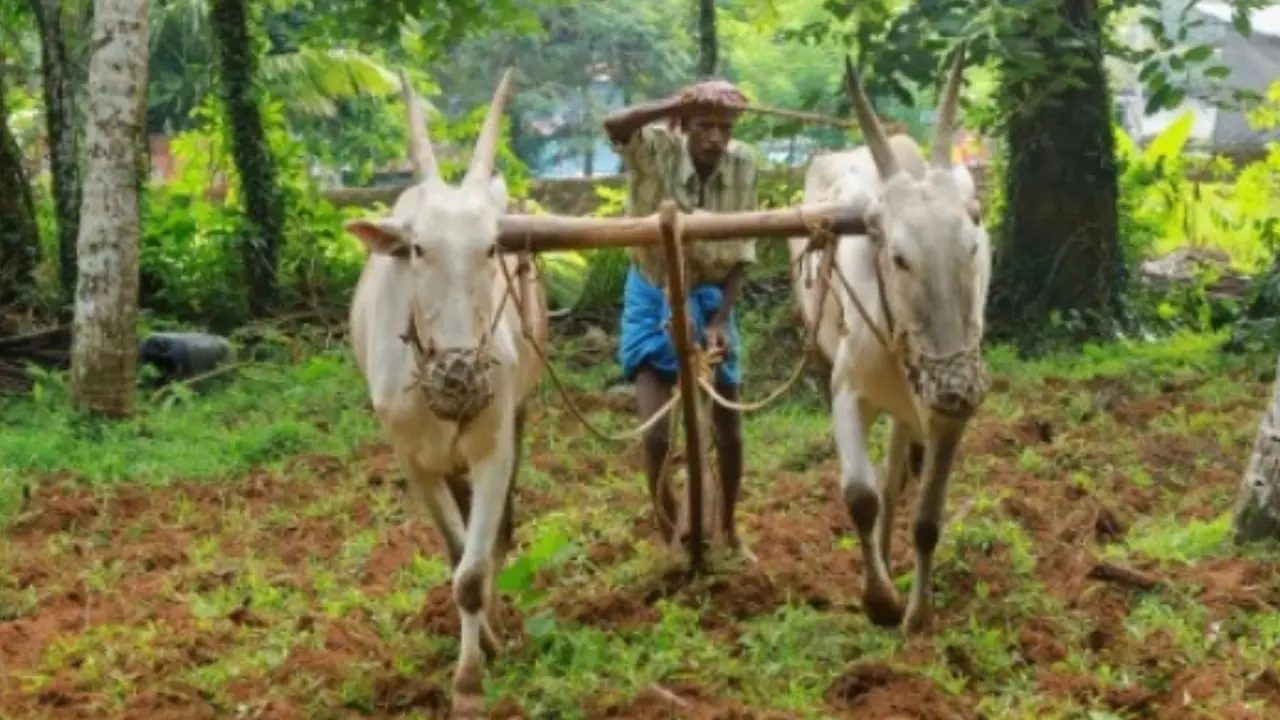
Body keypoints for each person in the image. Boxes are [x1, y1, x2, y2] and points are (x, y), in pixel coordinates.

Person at [602, 78, 758, 559]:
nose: (715, 137)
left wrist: (718, 321)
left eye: (723, 127)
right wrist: (674, 102)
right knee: (655, 436)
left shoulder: (744, 164)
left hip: (711, 297)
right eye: (703, 125)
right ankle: (667, 521)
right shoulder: (656, 149)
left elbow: (744, 251)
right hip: (651, 290)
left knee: (728, 430)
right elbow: (614, 126)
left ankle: (729, 528)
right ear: (683, 126)